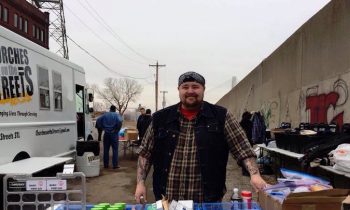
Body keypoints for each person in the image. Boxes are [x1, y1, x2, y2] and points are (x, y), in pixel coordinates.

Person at [134, 71, 267, 203]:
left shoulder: (221, 116)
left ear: (203, 89)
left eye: (195, 87)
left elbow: (242, 148)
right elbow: (145, 153)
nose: (190, 91)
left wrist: (255, 175)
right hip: (167, 200)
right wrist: (140, 183)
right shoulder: (160, 118)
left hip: (206, 201)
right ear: (178, 90)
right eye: (185, 87)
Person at [98, 105, 122, 169]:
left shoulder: (105, 115)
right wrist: (117, 130)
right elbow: (119, 121)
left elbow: (98, 120)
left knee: (106, 150)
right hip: (114, 134)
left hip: (106, 134)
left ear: (110, 109)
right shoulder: (117, 115)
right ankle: (115, 165)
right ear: (115, 109)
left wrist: (102, 127)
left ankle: (106, 165)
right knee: (115, 149)